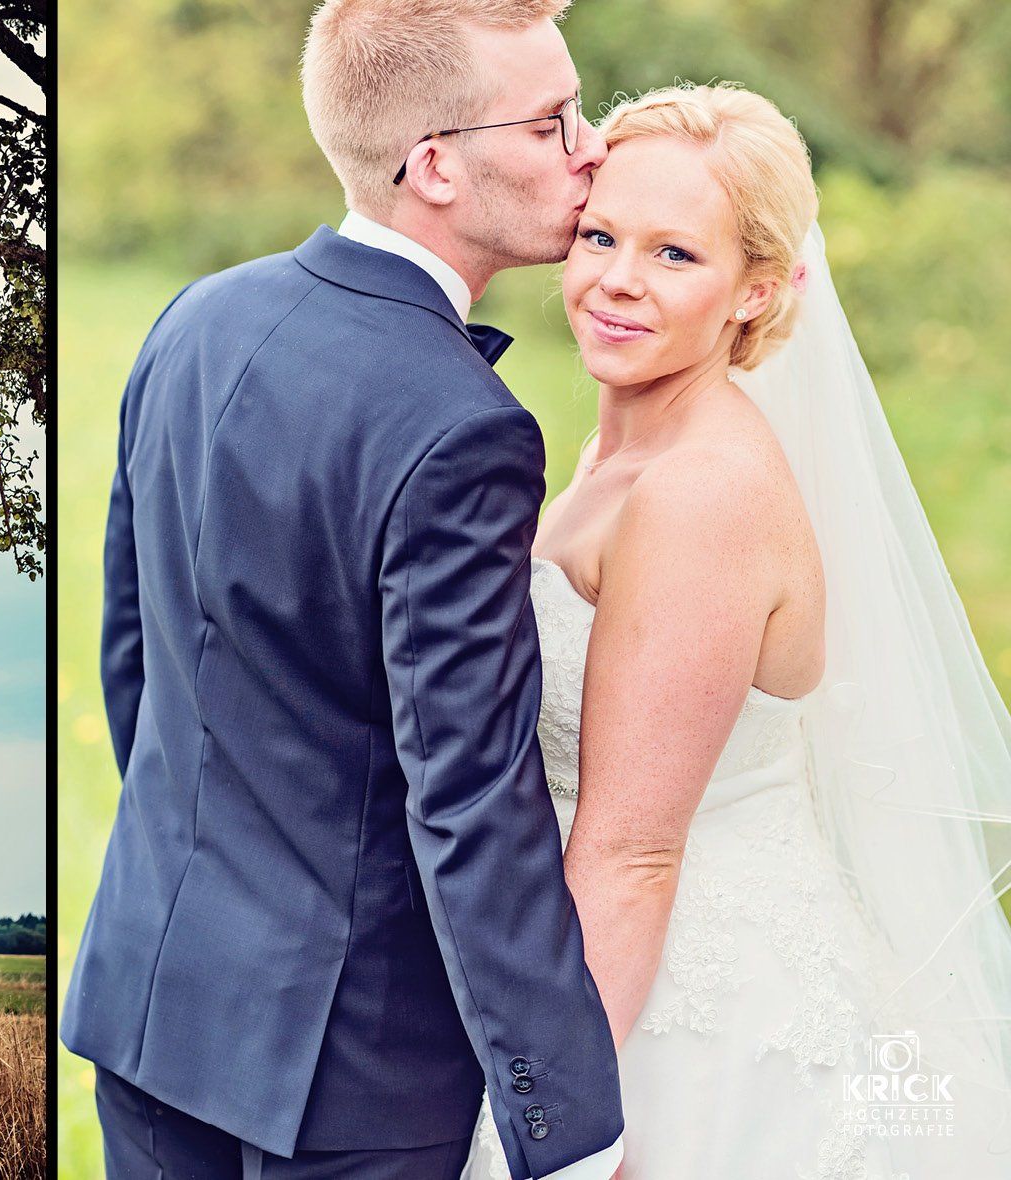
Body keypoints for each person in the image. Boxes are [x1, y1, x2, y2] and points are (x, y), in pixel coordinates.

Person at [60, 2, 626, 1177]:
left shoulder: (197, 316)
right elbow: (471, 794)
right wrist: (559, 1119)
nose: (592, 149)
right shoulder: (464, 427)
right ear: (434, 166)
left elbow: (138, 659)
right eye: (554, 121)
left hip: (152, 1001)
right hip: (352, 1076)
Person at [463, 82, 1011, 1178]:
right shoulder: (616, 457)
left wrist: (557, 1123)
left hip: (684, 1018)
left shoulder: (701, 493)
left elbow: (633, 851)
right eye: (603, 236)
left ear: (758, 291)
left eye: (676, 255)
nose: (617, 279)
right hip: (591, 962)